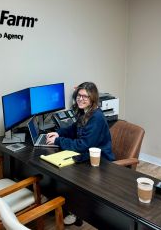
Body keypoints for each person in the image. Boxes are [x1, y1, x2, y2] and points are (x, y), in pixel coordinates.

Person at [46, 82, 114, 226]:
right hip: (86, 155)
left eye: (85, 96)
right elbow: (73, 129)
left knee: (67, 173)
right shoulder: (85, 112)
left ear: (93, 99)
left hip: (100, 161)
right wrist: (58, 132)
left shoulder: (96, 118)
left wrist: (58, 141)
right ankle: (66, 206)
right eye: (79, 95)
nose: (80, 99)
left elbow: (83, 145)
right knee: (58, 170)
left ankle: (75, 210)